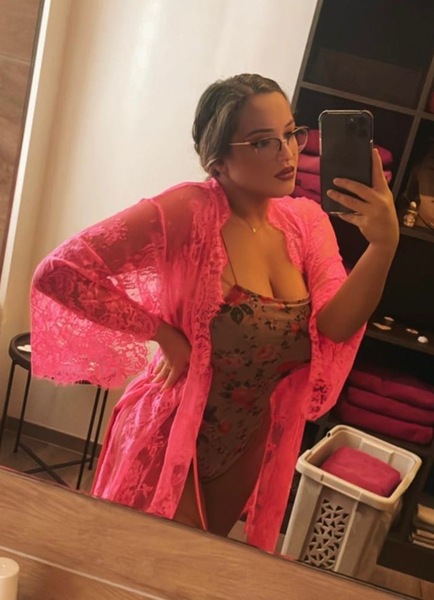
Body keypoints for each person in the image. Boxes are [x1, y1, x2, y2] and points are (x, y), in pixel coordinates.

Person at [30, 74, 399, 553]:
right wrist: (161, 333)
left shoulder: (306, 224)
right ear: (217, 159)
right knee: (140, 564)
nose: (287, 153)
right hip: (169, 431)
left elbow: (335, 324)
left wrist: (383, 245)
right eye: (263, 141)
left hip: (244, 442)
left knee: (201, 565)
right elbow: (61, 272)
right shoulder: (187, 211)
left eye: (291, 134)